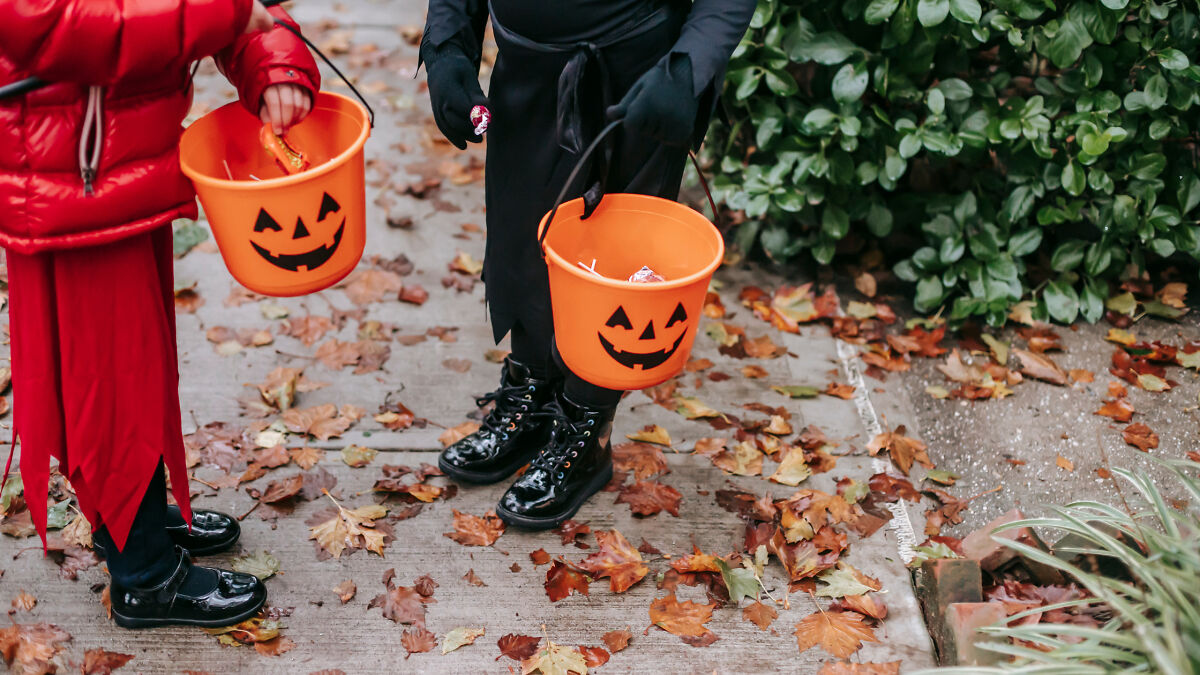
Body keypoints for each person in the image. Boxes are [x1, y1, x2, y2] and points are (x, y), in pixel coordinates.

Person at [0, 0, 319, 628]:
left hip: (121, 154)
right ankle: (143, 573)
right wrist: (228, 15)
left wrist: (273, 63)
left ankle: (134, 515)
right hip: (73, 170)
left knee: (135, 369)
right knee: (105, 380)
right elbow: (50, 24)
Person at [421, 0, 755, 529]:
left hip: (638, 80)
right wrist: (446, 48)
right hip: (527, 71)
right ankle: (533, 397)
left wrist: (689, 66)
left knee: (613, 268)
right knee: (523, 235)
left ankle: (586, 430)